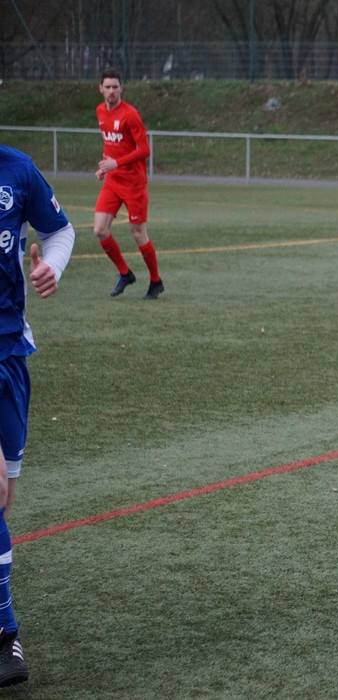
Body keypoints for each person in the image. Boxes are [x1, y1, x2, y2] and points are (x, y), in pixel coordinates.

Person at [0, 145, 77, 685]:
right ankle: (6, 636)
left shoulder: (17, 170)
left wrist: (51, 267)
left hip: (9, 356)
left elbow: (61, 231)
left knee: (3, 501)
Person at [94, 68, 164, 299]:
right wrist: (105, 166)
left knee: (138, 234)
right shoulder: (100, 111)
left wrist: (116, 163)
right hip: (113, 181)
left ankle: (156, 281)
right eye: (107, 87)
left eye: (115, 87)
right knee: (100, 230)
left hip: (134, 183)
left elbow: (145, 150)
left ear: (121, 88)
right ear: (100, 89)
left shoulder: (130, 115)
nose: (111, 91)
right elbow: (110, 145)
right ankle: (125, 274)